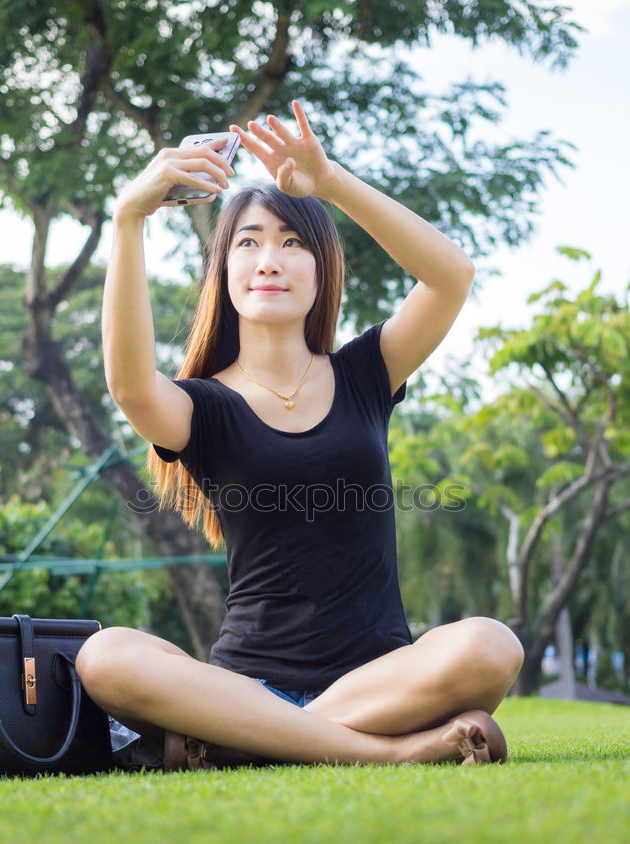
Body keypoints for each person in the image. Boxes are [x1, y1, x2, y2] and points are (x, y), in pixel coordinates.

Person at [76, 100, 524, 770]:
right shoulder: (202, 407)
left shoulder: (366, 373)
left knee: (491, 645)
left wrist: (331, 181)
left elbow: (449, 275)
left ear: (320, 270)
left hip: (381, 683)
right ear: (224, 272)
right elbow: (131, 386)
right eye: (248, 242)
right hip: (244, 685)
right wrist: (128, 217)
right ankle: (388, 755)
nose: (269, 260)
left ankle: (247, 742)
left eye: (291, 243)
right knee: (105, 656)